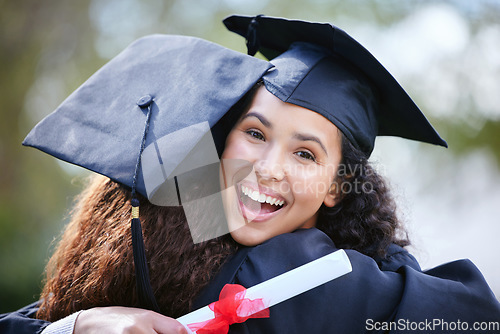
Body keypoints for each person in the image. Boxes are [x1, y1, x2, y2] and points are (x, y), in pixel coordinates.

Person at [1, 14, 499, 334]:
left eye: (306, 155)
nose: (267, 168)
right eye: (255, 134)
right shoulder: (172, 233)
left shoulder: (324, 277)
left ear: (336, 188)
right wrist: (79, 325)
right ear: (221, 141)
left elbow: (476, 318)